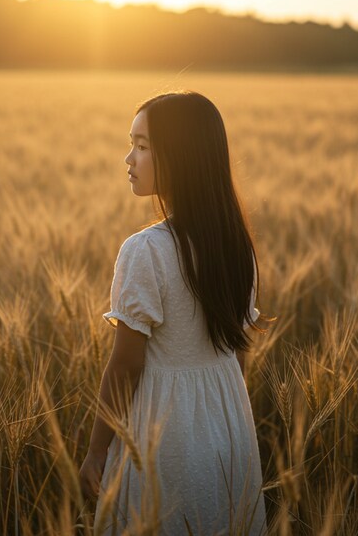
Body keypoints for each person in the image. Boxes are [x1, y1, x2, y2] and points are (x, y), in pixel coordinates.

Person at [79, 90, 268, 535]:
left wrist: (96, 449)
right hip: (229, 428)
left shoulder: (145, 250)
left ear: (179, 158)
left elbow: (126, 364)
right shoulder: (238, 248)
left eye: (142, 147)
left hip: (164, 438)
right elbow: (236, 352)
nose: (129, 158)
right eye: (131, 143)